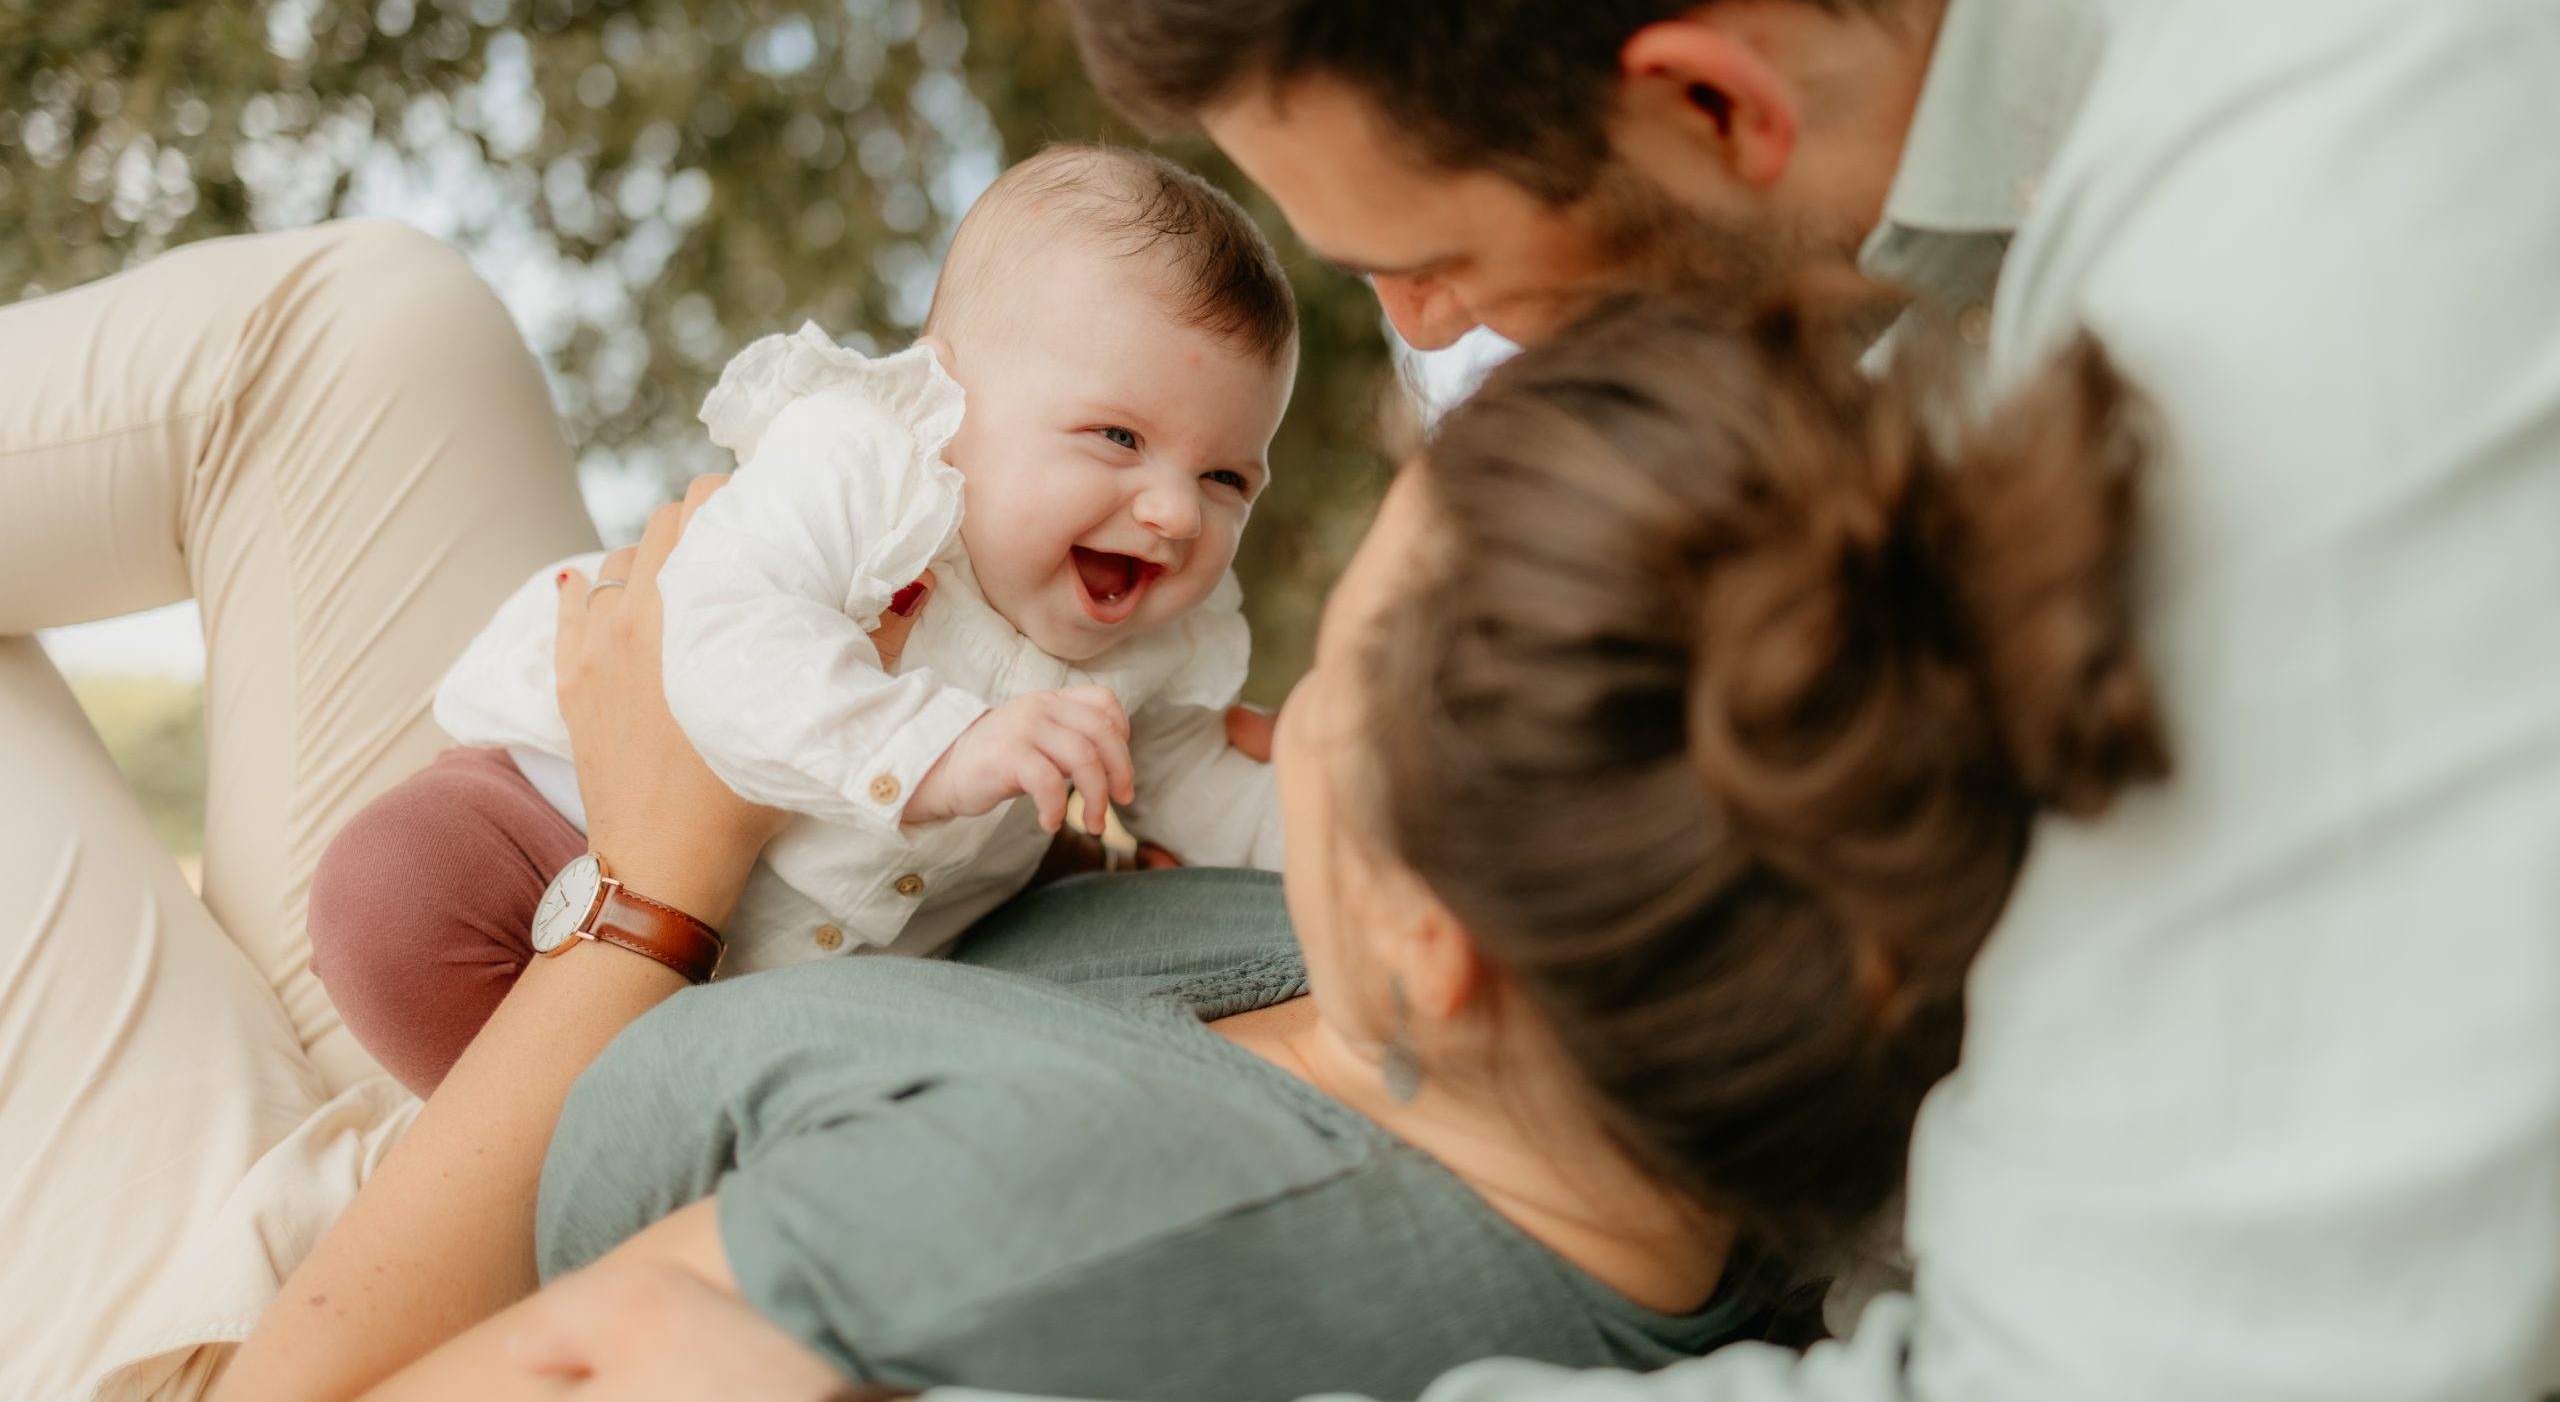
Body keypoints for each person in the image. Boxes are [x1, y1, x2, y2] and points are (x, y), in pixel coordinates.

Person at [1034, 0, 2560, 1397]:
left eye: (1437, 256)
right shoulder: (2009, 243)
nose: (1424, 322)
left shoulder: (2334, 211)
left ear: (1711, 103)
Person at [0, 221, 2151, 1401]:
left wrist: (654, 884)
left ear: (1441, 938)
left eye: (1340, 705)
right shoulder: (1660, 1034)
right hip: (553, 923)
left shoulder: (1023, 1245)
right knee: (376, 322)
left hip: (334, 1256)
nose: (1271, 711)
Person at [308, 145, 1293, 1095]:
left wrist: (1333, 828)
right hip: (552, 821)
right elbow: (729, 634)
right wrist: (938, 749)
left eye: (1225, 478)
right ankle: (524, 1143)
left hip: (808, 993)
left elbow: (1213, 797)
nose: (1173, 513)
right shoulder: (868, 470)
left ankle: (658, 1138)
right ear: (946, 400)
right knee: (391, 897)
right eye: (1118, 437)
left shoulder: (1164, 644)